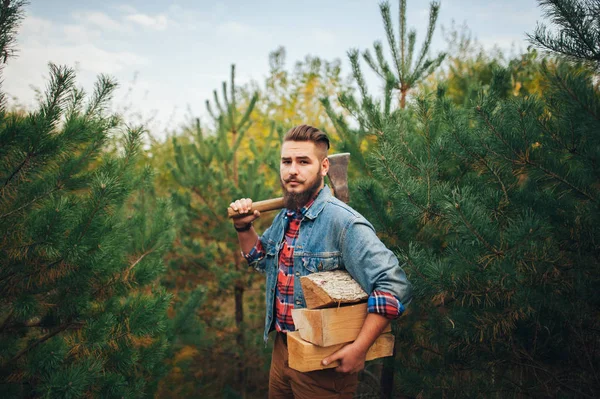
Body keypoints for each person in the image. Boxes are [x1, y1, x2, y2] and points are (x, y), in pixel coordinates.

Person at [229, 124, 412, 399]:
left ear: (324, 167)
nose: (292, 170)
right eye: (286, 161)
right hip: (283, 351)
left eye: (303, 161)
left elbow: (395, 287)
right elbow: (261, 259)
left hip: (324, 363)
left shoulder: (344, 223)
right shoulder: (287, 215)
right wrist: (244, 228)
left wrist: (359, 348)